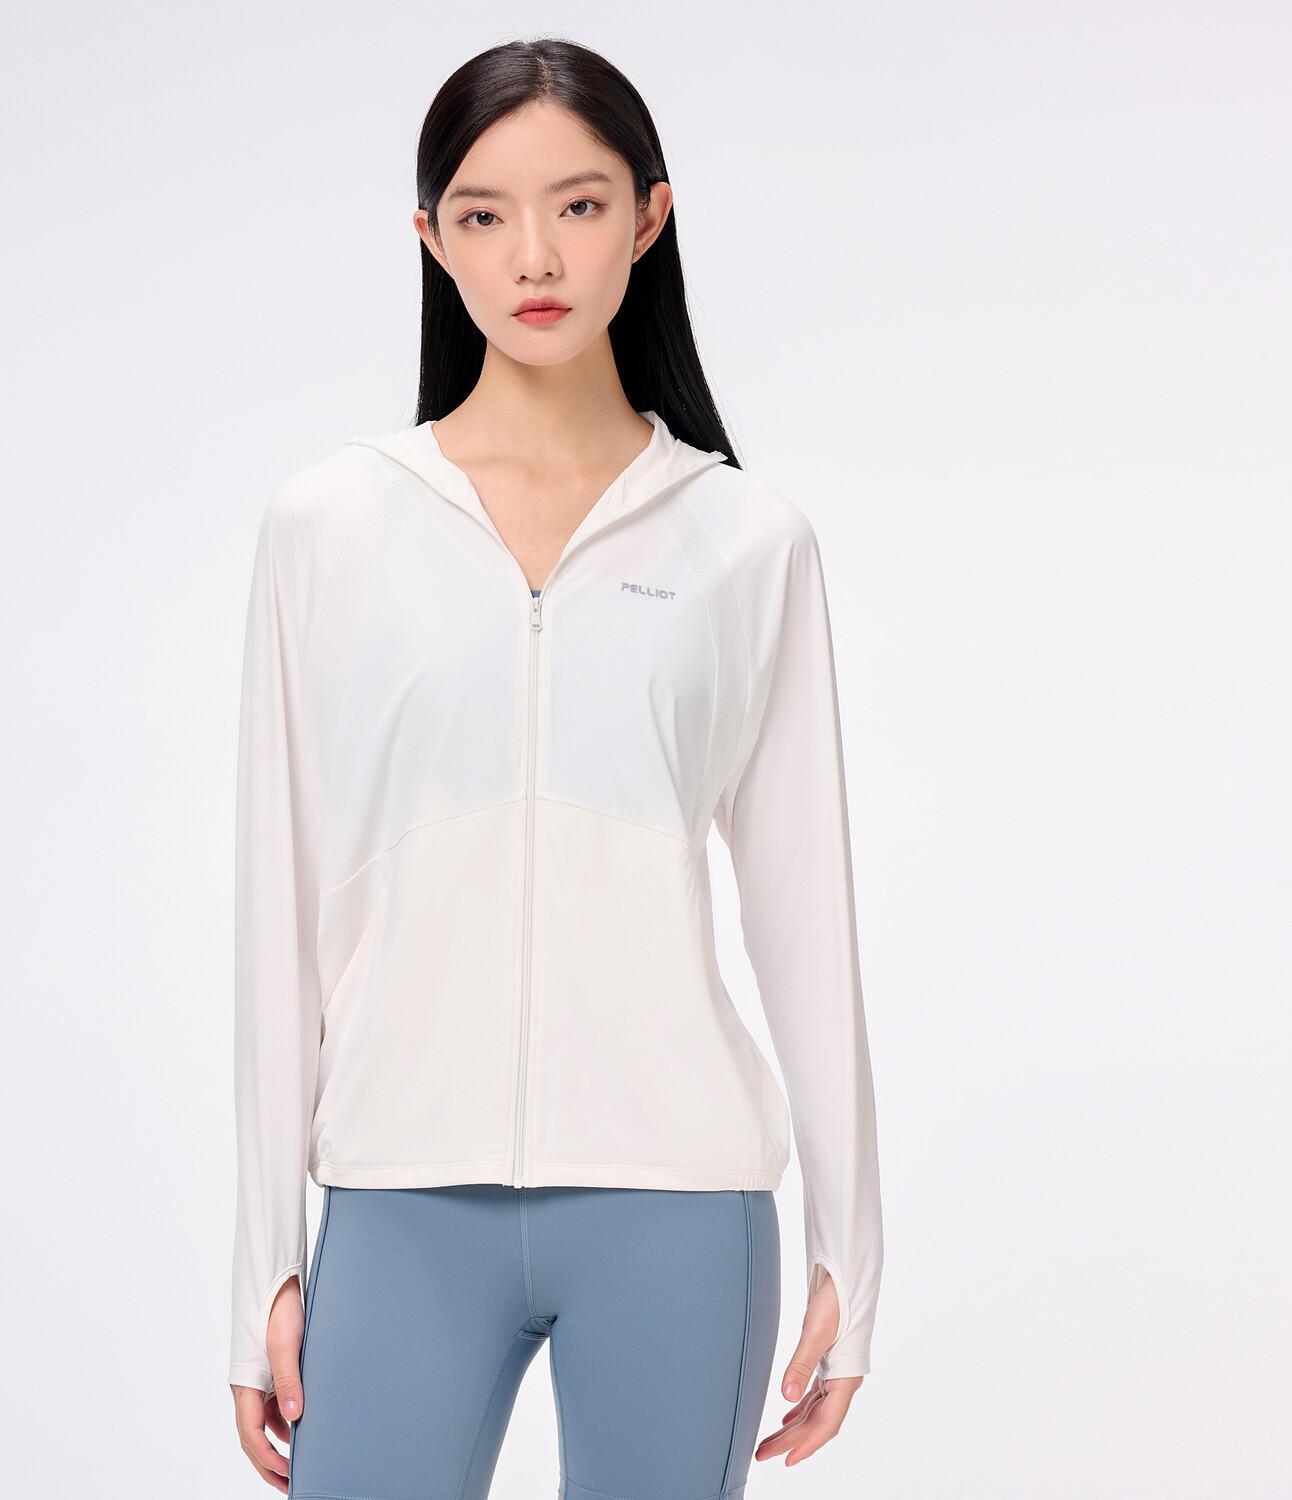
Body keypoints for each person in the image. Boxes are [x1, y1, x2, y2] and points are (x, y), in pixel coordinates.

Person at [227, 36, 884, 1499]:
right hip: (402, 1197)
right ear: (430, 236)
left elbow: (806, 917)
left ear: (650, 218)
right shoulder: (329, 526)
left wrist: (854, 1237)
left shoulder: (747, 542)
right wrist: (261, 1255)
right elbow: (281, 907)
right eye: (484, 213)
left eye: (580, 205)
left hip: (679, 1207)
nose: (535, 255)